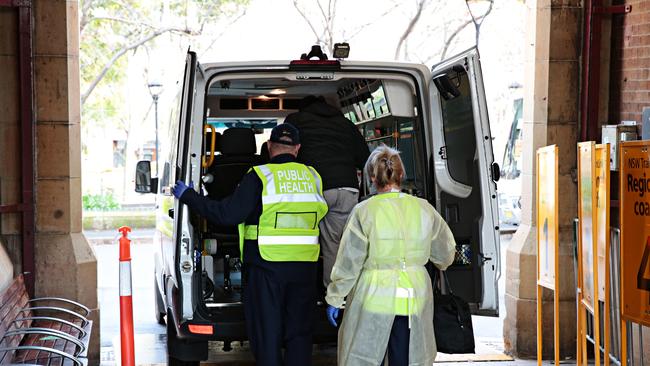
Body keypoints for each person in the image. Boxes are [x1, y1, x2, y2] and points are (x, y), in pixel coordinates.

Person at [172, 123, 328, 366]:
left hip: (267, 267)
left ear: (268, 147)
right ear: (297, 148)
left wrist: (189, 197)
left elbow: (228, 215)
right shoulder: (313, 176)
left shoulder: (259, 175)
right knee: (300, 333)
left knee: (268, 332)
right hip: (305, 267)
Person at [324, 145, 456, 366]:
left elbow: (350, 261)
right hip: (414, 299)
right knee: (404, 357)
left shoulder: (364, 211)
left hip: (374, 298)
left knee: (366, 356)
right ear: (401, 175)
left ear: (372, 178)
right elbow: (445, 254)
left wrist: (335, 298)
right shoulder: (424, 208)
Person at [284, 95, 370, 287]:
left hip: (312, 187)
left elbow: (285, 152)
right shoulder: (346, 123)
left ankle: (301, 291)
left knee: (301, 242)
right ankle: (336, 298)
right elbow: (365, 158)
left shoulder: (296, 120)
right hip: (346, 188)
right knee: (336, 246)